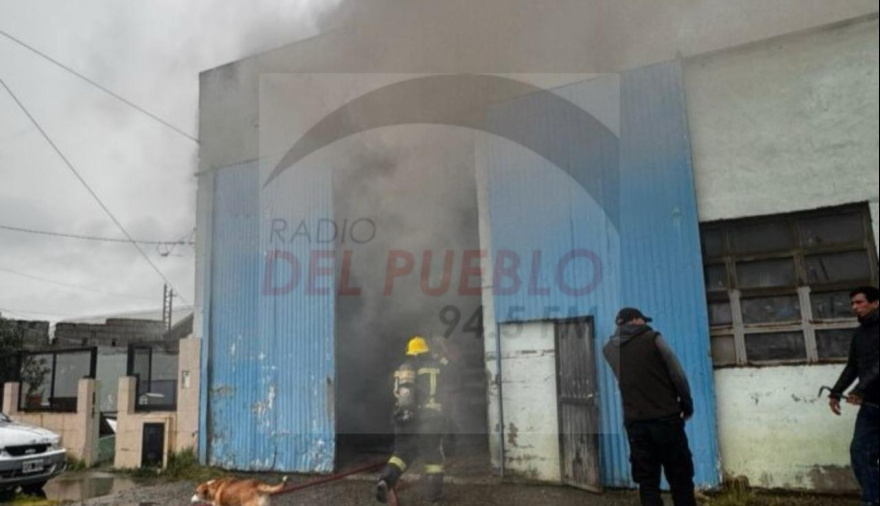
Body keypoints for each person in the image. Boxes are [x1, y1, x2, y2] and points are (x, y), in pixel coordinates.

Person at [603, 308, 697, 506]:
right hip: (666, 420)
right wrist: (686, 404)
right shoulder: (653, 338)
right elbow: (677, 374)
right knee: (680, 478)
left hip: (636, 425)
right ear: (635, 320)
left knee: (647, 482)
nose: (646, 324)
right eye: (643, 320)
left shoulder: (610, 349)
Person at [376, 336, 447, 504]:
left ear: (411, 352)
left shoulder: (402, 370)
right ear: (425, 352)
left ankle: (386, 481)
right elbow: (453, 378)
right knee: (434, 459)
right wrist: (442, 357)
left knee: (400, 455)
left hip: (403, 419)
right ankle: (434, 497)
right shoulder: (435, 367)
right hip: (429, 420)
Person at [827, 286, 879, 506]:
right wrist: (836, 392)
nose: (855, 307)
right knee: (860, 453)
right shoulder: (859, 334)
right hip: (872, 407)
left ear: (876, 303)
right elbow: (853, 367)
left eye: (859, 302)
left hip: (869, 398)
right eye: (852, 304)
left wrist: (859, 389)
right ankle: (873, 499)